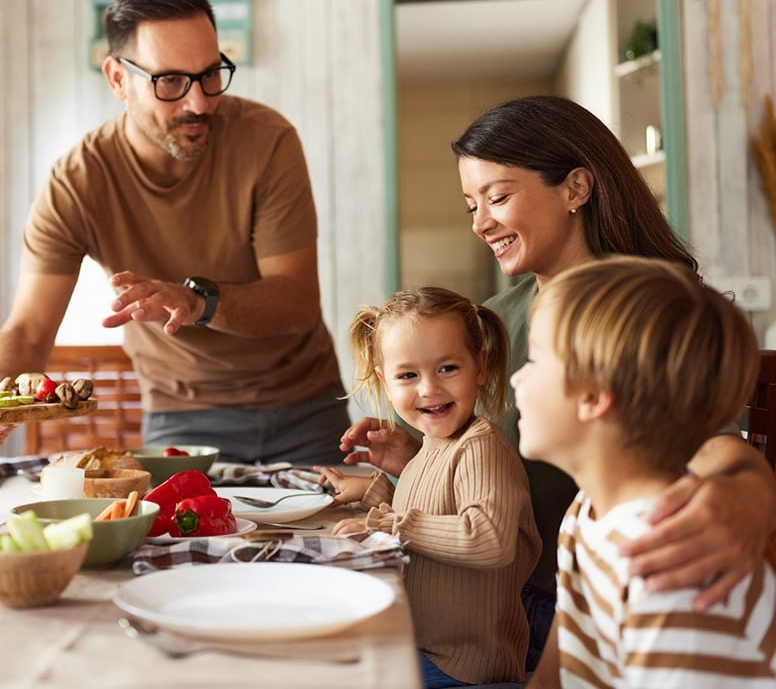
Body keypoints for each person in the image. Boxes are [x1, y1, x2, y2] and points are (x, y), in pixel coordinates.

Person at [340, 95, 776, 669]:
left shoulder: (641, 311)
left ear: (575, 188)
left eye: (497, 197)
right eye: (471, 204)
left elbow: (712, 442)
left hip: (551, 609)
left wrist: (744, 492)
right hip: (512, 596)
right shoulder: (494, 317)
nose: (480, 223)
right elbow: (479, 459)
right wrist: (415, 456)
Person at [0, 0, 349, 465]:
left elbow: (297, 300)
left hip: (308, 408)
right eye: (170, 81)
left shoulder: (268, 141)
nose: (198, 102)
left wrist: (196, 302)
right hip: (182, 415)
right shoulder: (78, 182)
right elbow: (28, 331)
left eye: (211, 74)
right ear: (117, 79)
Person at [516, 255, 776, 688]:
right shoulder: (587, 511)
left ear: (595, 396)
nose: (515, 381)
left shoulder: (673, 571)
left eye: (535, 361)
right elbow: (558, 671)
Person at [316, 287, 541, 687]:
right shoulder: (433, 445)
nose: (428, 389)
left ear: (481, 366)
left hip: (464, 665)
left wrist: (389, 524)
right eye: (408, 375)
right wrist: (373, 493)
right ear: (385, 383)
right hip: (430, 648)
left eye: (448, 368)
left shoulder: (480, 447)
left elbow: (488, 538)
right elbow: (431, 511)